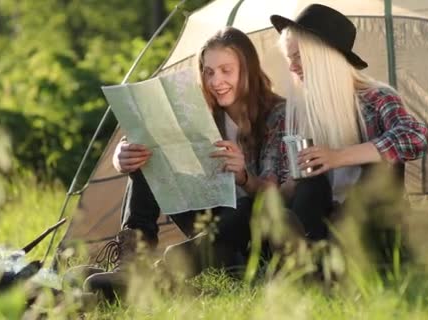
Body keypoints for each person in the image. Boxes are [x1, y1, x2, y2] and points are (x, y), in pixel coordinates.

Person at [77, 27, 288, 292]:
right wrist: (123, 158)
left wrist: (244, 177)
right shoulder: (202, 111)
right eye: (208, 72)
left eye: (226, 70)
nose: (216, 81)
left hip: (244, 238)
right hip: (205, 219)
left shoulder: (276, 114)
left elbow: (277, 196)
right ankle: (132, 264)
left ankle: (163, 273)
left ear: (248, 69)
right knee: (150, 154)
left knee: (246, 209)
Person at [269, 4, 428, 241]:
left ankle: (326, 251)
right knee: (310, 184)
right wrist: (294, 181)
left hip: (374, 218)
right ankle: (304, 254)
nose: (292, 67)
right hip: (321, 216)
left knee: (381, 165)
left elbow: (416, 137)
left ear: (325, 56)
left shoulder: (376, 98)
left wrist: (337, 157)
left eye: (299, 57)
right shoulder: (296, 113)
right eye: (289, 59)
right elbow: (284, 190)